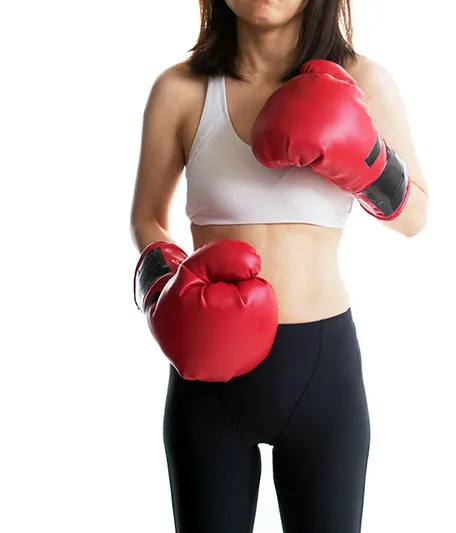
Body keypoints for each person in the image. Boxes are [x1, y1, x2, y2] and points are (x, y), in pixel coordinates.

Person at [128, 0, 429, 531]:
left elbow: (415, 217)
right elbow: (146, 217)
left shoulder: (362, 82)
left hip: (323, 372)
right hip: (207, 374)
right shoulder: (181, 90)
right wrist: (163, 294)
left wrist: (367, 158)